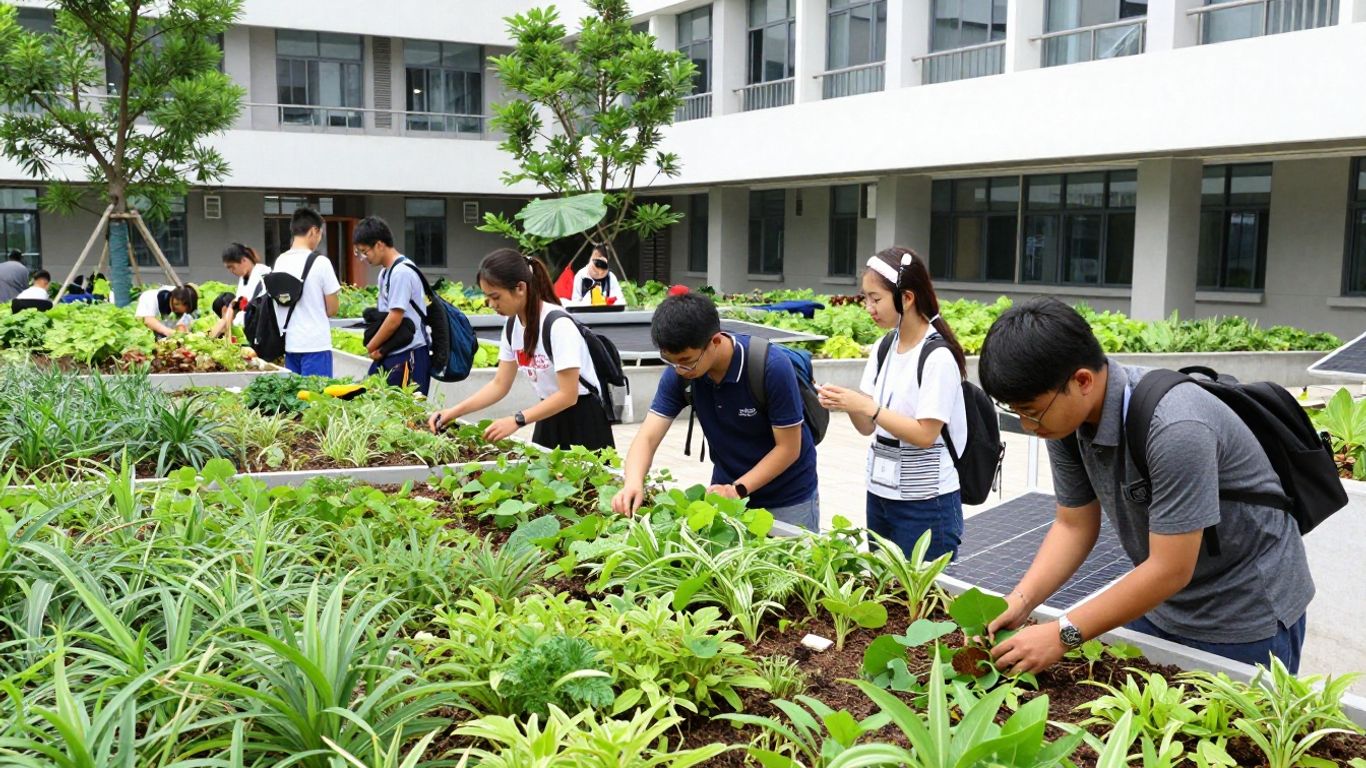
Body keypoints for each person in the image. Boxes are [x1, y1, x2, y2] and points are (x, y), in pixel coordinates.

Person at [977, 297, 1313, 674]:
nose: (1027, 426)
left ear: (1082, 380)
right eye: (1017, 412)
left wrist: (1062, 635)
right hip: (1164, 605)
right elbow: (1074, 524)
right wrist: (1020, 601)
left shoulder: (1175, 426)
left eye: (1031, 411)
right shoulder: (1064, 422)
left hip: (1244, 615)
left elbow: (1171, 568)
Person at [610, 293, 820, 531]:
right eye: (670, 361)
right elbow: (647, 437)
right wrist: (633, 482)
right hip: (724, 491)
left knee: (793, 567)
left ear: (716, 341)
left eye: (686, 360)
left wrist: (737, 490)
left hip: (787, 498)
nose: (679, 369)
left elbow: (789, 448)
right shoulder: (680, 373)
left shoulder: (771, 367)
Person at [816, 247, 968, 561]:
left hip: (927, 503)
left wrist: (866, 406)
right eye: (865, 299)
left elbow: (925, 434)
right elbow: (868, 426)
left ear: (907, 298)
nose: (869, 308)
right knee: (888, 594)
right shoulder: (884, 346)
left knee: (925, 602)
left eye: (876, 298)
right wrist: (846, 403)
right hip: (881, 495)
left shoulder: (938, 356)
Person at [427, 248, 614, 451]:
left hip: (584, 419)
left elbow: (568, 395)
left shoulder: (558, 324)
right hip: (548, 414)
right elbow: (499, 384)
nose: (491, 304)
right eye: (488, 297)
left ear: (520, 288)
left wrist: (517, 420)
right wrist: (453, 412)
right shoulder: (512, 326)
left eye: (495, 296)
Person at [355, 216, 431, 395]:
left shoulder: (401, 272)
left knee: (406, 415)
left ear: (380, 245)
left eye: (365, 252)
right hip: (394, 351)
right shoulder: (385, 273)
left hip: (410, 353)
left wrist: (371, 347)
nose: (364, 258)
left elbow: (394, 319)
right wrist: (379, 348)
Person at [272, 207, 341, 377]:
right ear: (314, 231)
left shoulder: (280, 261)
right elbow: (333, 309)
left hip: (291, 343)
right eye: (320, 234)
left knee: (295, 399)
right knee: (317, 400)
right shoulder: (321, 262)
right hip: (316, 344)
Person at [210, 242, 271, 338]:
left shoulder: (263, 276)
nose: (231, 271)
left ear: (244, 260)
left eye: (232, 267)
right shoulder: (244, 279)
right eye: (228, 268)